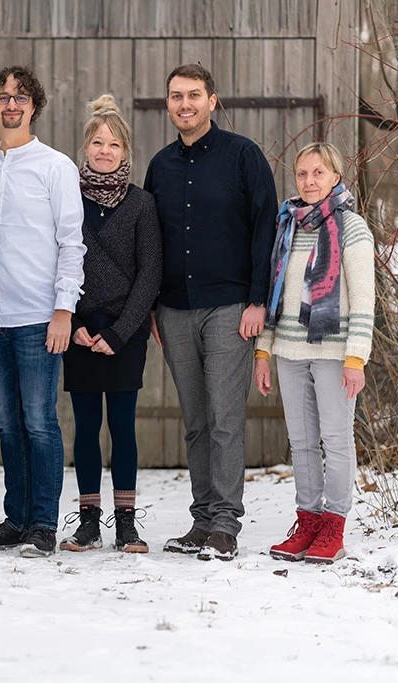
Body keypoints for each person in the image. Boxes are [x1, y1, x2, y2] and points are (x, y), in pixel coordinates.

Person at [144, 63, 278, 561]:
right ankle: (202, 522)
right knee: (197, 420)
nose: (185, 104)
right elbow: (151, 242)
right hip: (175, 310)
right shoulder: (160, 166)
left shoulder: (243, 156)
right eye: (176, 96)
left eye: (194, 95)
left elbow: (266, 228)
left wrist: (258, 300)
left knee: (225, 417)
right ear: (168, 104)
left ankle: (225, 524)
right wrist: (152, 305)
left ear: (213, 100)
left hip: (229, 306)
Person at [0, 66, 86, 558]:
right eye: (2, 97)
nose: (10, 104)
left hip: (39, 317)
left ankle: (42, 523)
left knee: (39, 422)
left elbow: (71, 244)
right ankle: (16, 518)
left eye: (19, 97)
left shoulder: (55, 166)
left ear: (34, 105)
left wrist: (64, 310)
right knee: (7, 423)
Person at [254, 142, 374, 564]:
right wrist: (263, 352)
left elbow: (363, 299)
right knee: (302, 442)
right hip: (287, 349)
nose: (309, 181)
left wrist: (356, 358)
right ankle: (307, 521)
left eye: (318, 173)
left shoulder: (353, 227)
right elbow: (274, 295)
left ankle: (334, 527)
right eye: (302, 174)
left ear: (335, 177)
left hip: (334, 353)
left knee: (336, 441)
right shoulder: (287, 226)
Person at [59, 95, 162, 554]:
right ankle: (87, 522)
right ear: (85, 148)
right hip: (78, 328)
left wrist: (121, 332)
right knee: (84, 429)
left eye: (114, 143)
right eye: (97, 142)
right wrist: (75, 322)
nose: (104, 150)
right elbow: (55, 262)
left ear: (125, 152)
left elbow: (150, 273)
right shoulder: (68, 201)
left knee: (122, 428)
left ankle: (126, 523)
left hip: (126, 331)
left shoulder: (142, 205)